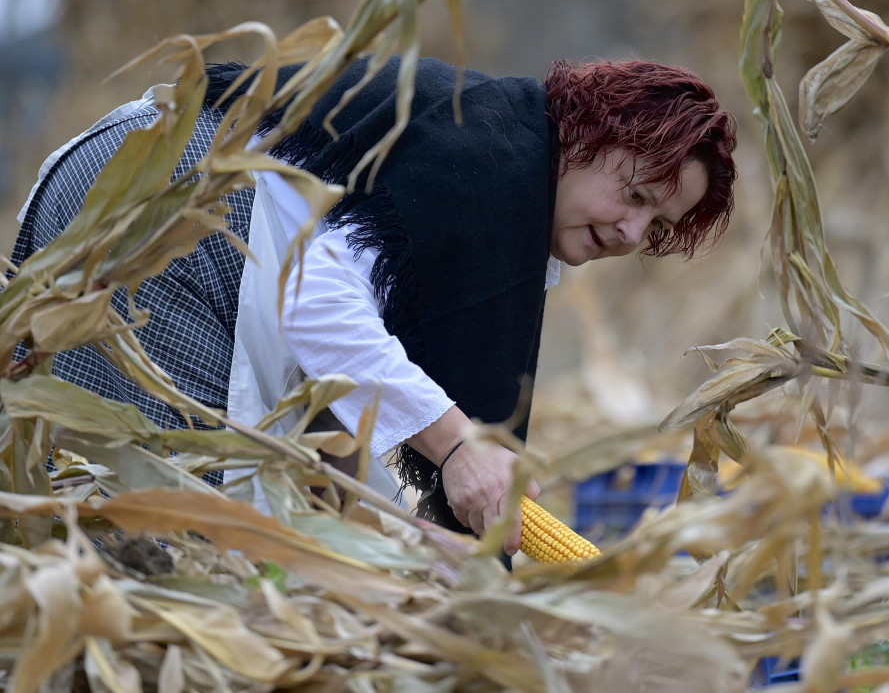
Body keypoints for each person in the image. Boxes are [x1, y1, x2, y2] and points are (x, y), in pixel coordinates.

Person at [9, 54, 737, 556]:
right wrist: (456, 448)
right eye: (634, 193)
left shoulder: (491, 147)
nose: (631, 232)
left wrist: (377, 532)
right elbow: (316, 305)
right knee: (163, 541)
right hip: (173, 217)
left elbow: (339, 378)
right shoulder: (488, 170)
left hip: (138, 184)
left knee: (144, 519)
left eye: (658, 227)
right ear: (582, 136)